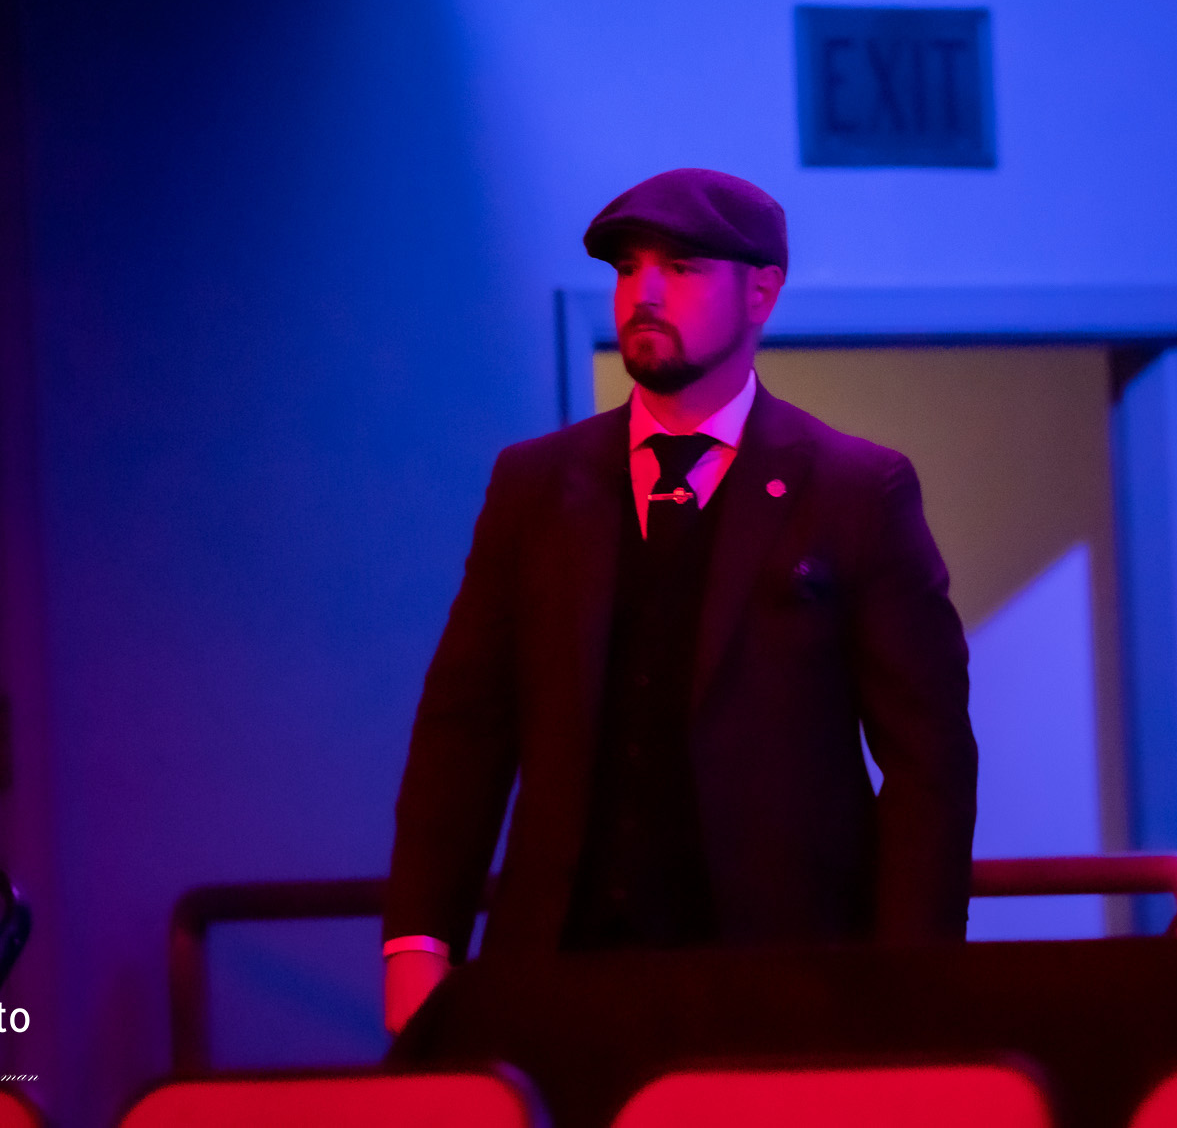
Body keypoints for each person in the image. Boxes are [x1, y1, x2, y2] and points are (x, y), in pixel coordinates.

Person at [381, 168, 979, 1034]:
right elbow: (463, 730)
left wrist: (910, 984)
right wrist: (418, 943)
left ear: (761, 292)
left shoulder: (856, 490)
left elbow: (931, 763)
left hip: (783, 990)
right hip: (560, 982)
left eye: (683, 268)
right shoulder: (536, 486)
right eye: (629, 269)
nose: (645, 293)